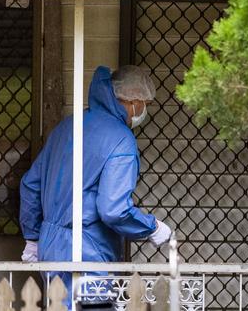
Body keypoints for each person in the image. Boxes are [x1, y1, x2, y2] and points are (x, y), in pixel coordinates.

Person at [18, 65, 172, 301]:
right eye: (146, 104)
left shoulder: (67, 127)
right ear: (134, 101)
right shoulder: (121, 140)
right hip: (87, 249)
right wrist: (151, 227)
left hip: (49, 246)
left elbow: (30, 184)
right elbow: (114, 209)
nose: (143, 110)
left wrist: (32, 238)